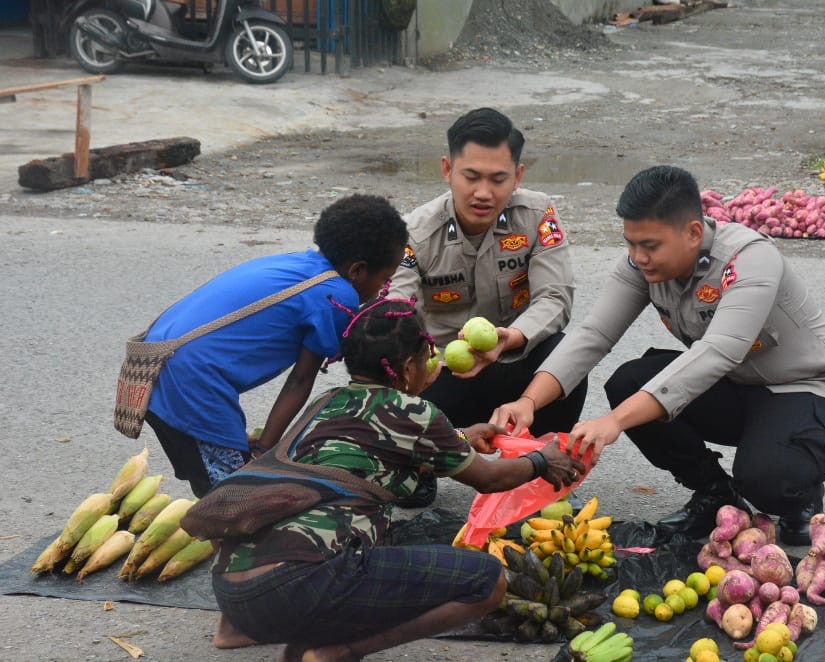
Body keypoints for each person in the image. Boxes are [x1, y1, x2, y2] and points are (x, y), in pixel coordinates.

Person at [491, 166, 825, 546]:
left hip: (806, 389)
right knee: (629, 382)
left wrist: (614, 422)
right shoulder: (640, 265)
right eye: (631, 244)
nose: (638, 257)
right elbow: (595, 334)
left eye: (650, 246)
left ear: (693, 233)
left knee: (769, 479)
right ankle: (716, 494)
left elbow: (719, 349)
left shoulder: (749, 259)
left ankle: (801, 494)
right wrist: (528, 401)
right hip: (735, 386)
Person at [209, 297, 586, 660]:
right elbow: (488, 478)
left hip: (233, 593)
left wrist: (459, 438)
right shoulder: (413, 410)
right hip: (302, 586)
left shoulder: (328, 401)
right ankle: (338, 652)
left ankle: (232, 631)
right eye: (428, 357)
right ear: (407, 368)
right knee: (486, 581)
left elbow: (383, 453)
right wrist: (541, 461)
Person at [141, 194, 408, 497]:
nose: (383, 290)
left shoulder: (301, 264)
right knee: (236, 499)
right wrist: (267, 447)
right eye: (385, 278)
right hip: (190, 382)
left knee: (224, 483)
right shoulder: (337, 295)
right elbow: (300, 380)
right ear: (357, 270)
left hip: (153, 365)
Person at [387, 107, 587, 507]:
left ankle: (541, 464)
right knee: (389, 363)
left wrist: (509, 338)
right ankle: (422, 463)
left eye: (498, 179)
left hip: (515, 365)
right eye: (471, 177)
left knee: (567, 354)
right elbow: (394, 308)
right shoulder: (414, 232)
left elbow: (555, 298)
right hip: (442, 377)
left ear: (518, 175)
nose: (484, 193)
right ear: (447, 170)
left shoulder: (537, 215)